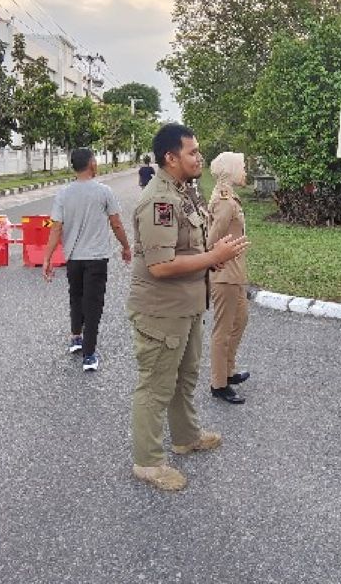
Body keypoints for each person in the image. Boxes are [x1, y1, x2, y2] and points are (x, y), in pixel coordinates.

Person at [127, 124, 249, 492]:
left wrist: (209, 258)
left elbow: (186, 249)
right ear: (171, 158)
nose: (199, 158)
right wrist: (213, 256)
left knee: (185, 377)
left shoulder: (184, 192)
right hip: (161, 310)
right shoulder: (159, 202)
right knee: (155, 386)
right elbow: (160, 266)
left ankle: (185, 436)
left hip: (186, 305)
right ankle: (147, 462)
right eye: (193, 153)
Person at [44, 148, 132, 372]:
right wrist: (126, 246)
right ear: (92, 163)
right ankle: (89, 353)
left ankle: (76, 338)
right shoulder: (104, 192)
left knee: (76, 296)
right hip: (96, 258)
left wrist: (47, 258)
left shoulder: (64, 193)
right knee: (93, 304)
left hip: (73, 258)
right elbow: (116, 223)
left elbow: (56, 228)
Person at [207, 151, 251, 404]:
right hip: (225, 274)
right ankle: (218, 383)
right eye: (242, 166)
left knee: (241, 320)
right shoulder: (225, 201)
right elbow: (211, 239)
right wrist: (211, 260)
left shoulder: (230, 196)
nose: (245, 170)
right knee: (223, 330)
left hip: (235, 272)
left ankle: (228, 371)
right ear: (231, 169)